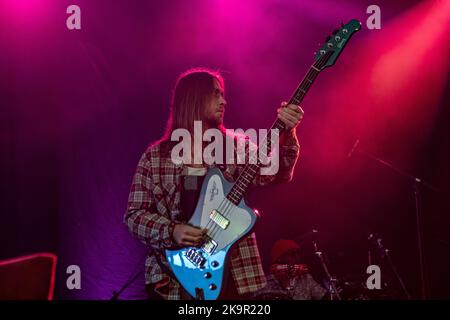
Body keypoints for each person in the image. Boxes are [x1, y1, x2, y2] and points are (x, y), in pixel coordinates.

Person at [124, 68, 303, 300]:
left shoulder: (237, 148)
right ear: (194, 97)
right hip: (171, 280)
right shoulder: (155, 158)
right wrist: (172, 230)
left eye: (223, 94)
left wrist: (289, 133)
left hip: (233, 277)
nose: (224, 101)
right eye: (216, 94)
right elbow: (133, 216)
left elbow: (277, 174)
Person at [255, 239, 327, 300]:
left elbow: (324, 296)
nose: (297, 257)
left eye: (298, 253)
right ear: (279, 258)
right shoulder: (264, 283)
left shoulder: (306, 278)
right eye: (292, 254)